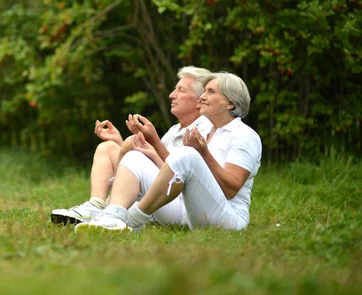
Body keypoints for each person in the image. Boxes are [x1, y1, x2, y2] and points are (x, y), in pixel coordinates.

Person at [75, 72, 262, 233]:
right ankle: (112, 216)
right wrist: (150, 148)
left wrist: (203, 152)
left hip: (228, 218)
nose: (202, 97)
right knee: (135, 156)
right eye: (204, 91)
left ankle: (133, 219)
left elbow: (230, 189)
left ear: (230, 103)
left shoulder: (244, 136)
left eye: (210, 92)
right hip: (187, 211)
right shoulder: (205, 131)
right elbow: (177, 168)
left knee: (188, 154)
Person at [50, 66, 213, 225]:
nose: (171, 95)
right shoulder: (174, 130)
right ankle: (96, 204)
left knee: (131, 147)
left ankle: (111, 209)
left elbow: (184, 177)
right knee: (108, 147)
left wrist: (153, 143)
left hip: (174, 203)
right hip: (156, 192)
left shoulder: (206, 130)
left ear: (200, 100)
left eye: (181, 90)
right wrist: (121, 143)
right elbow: (151, 166)